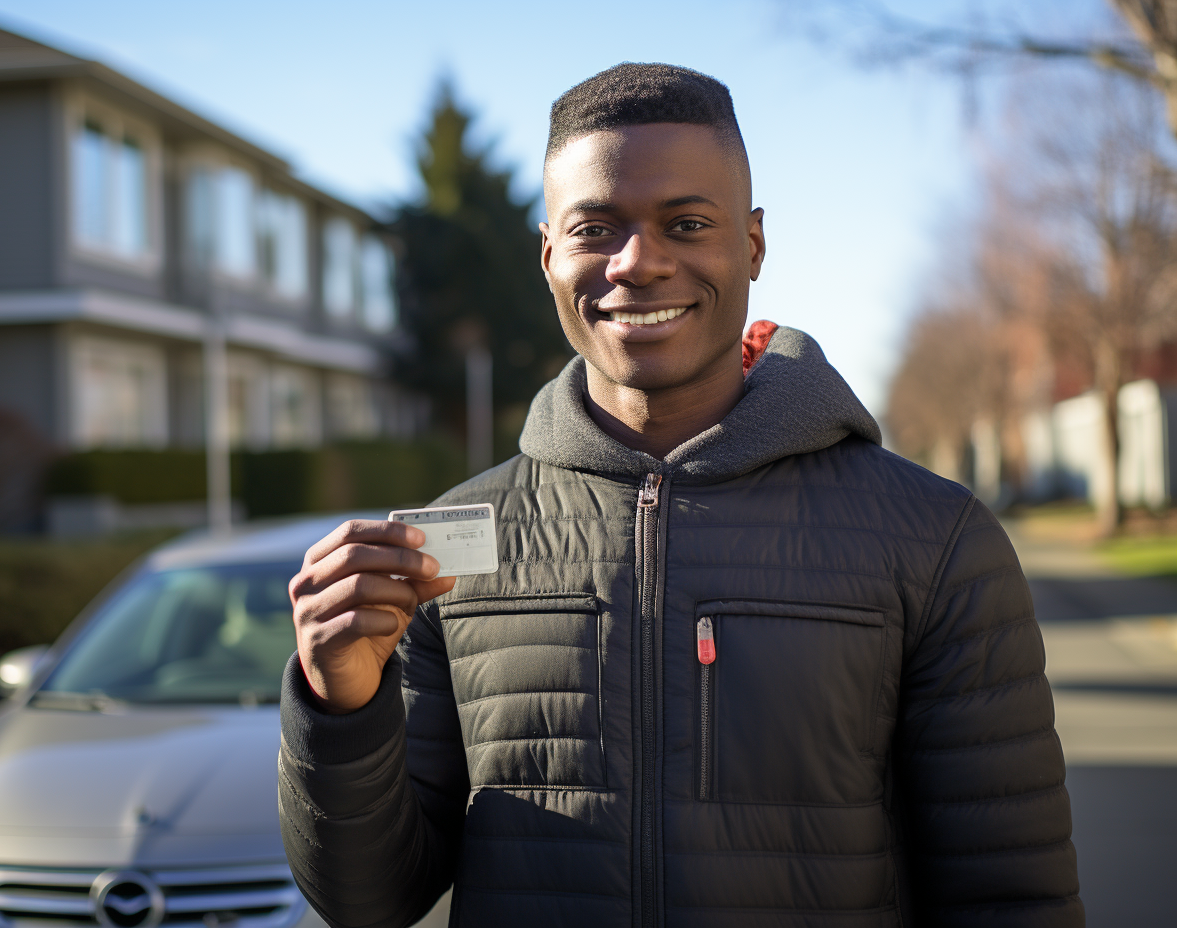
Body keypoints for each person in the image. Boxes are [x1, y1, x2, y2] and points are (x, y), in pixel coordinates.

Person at [279, 63, 1083, 927]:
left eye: (687, 223)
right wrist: (339, 705)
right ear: (550, 256)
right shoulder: (458, 550)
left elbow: (1011, 899)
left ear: (752, 245)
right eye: (596, 228)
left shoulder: (935, 540)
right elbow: (370, 901)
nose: (638, 263)